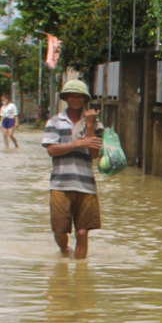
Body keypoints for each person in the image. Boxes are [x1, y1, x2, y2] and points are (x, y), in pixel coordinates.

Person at [43, 79, 103, 259]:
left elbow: (93, 154)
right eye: (73, 96)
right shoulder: (54, 122)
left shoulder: (96, 124)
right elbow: (52, 150)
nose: (76, 100)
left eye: (80, 97)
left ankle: (80, 273)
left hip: (86, 184)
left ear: (84, 100)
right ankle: (64, 251)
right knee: (60, 231)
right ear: (66, 98)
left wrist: (90, 126)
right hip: (61, 184)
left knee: (83, 232)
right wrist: (78, 143)